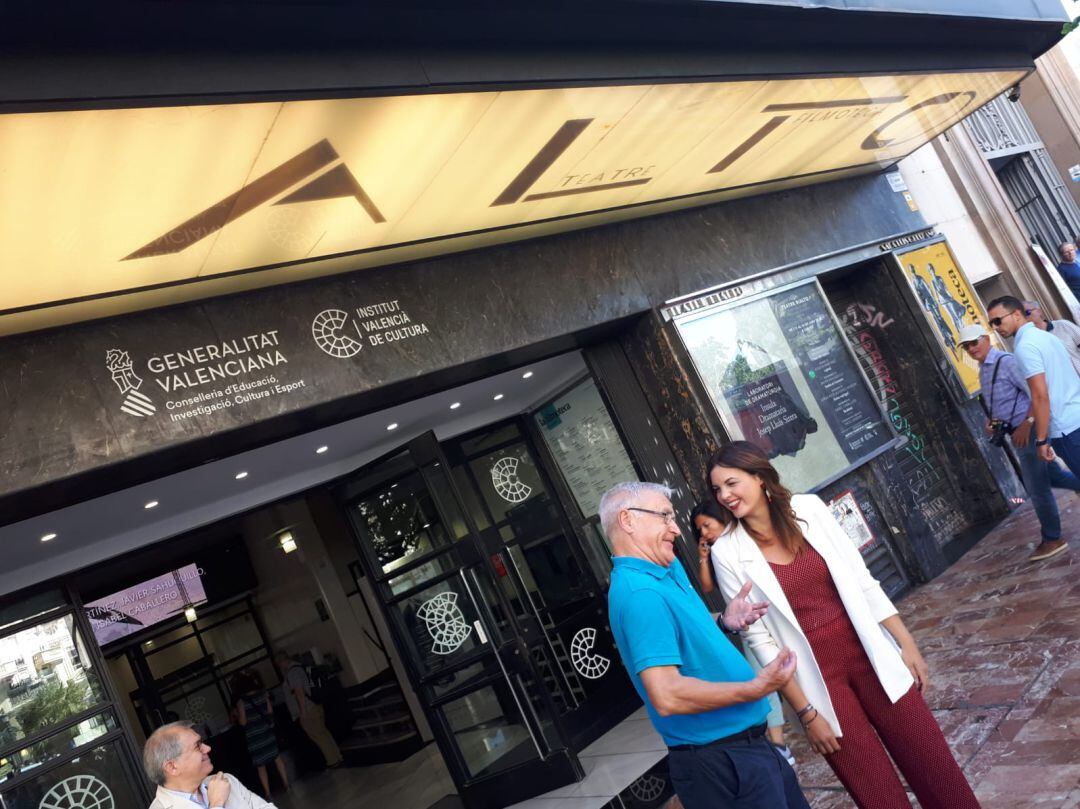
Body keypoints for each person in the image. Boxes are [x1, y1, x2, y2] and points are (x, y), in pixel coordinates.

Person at [708, 442, 979, 809]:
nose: (724, 495)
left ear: (759, 478)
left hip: (871, 654)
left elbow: (861, 578)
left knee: (937, 770)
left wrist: (905, 643)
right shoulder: (727, 551)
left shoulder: (808, 509)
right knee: (878, 795)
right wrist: (806, 713)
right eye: (717, 490)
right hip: (818, 683)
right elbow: (761, 641)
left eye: (731, 483)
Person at [602, 481, 810, 809]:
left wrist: (724, 619)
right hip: (720, 762)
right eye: (665, 517)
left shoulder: (665, 567)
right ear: (627, 520)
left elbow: (684, 629)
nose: (676, 529)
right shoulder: (640, 594)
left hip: (750, 748)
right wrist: (756, 689)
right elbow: (666, 695)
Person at [960, 323, 1079, 561]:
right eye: (966, 346)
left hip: (1030, 431)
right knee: (1052, 476)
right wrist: (993, 420)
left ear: (986, 339)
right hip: (1015, 431)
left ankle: (1052, 538)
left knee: (1036, 487)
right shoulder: (984, 368)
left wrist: (1029, 422)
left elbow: (1035, 393)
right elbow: (1004, 398)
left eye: (975, 343)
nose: (972, 349)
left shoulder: (1007, 362)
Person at [691, 500, 794, 764]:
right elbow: (706, 587)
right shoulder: (716, 552)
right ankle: (780, 744)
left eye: (707, 525)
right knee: (762, 674)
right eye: (699, 529)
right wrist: (704, 557)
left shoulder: (744, 539)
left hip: (774, 611)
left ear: (722, 519)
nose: (703, 532)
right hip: (748, 621)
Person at [988, 295, 1080, 482]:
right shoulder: (1044, 336)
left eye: (998, 321)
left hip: (1067, 430)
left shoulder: (1025, 347)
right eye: (992, 324)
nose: (996, 327)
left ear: (1016, 314)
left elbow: (1040, 395)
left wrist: (1041, 439)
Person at [143, 720, 277, 809]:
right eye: (197, 746)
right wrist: (217, 803)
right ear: (172, 767)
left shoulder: (225, 780)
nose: (207, 749)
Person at [274, 651, 343, 768]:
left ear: (282, 662)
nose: (279, 667)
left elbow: (299, 691)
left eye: (278, 664)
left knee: (317, 735)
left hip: (307, 709)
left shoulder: (292, 672)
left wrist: (303, 712)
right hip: (314, 704)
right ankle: (337, 756)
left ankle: (332, 760)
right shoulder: (300, 667)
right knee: (323, 733)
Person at [231, 670, 290, 799]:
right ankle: (286, 783)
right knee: (277, 757)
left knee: (260, 765)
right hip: (266, 731)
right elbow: (270, 711)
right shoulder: (263, 694)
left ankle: (268, 793)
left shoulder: (241, 701)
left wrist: (236, 714)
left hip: (254, 736)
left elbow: (243, 722)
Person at [1023, 300, 1080, 378]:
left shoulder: (1063, 325)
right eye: (1021, 316)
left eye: (1027, 313)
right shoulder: (1029, 343)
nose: (1025, 318)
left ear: (1039, 311)